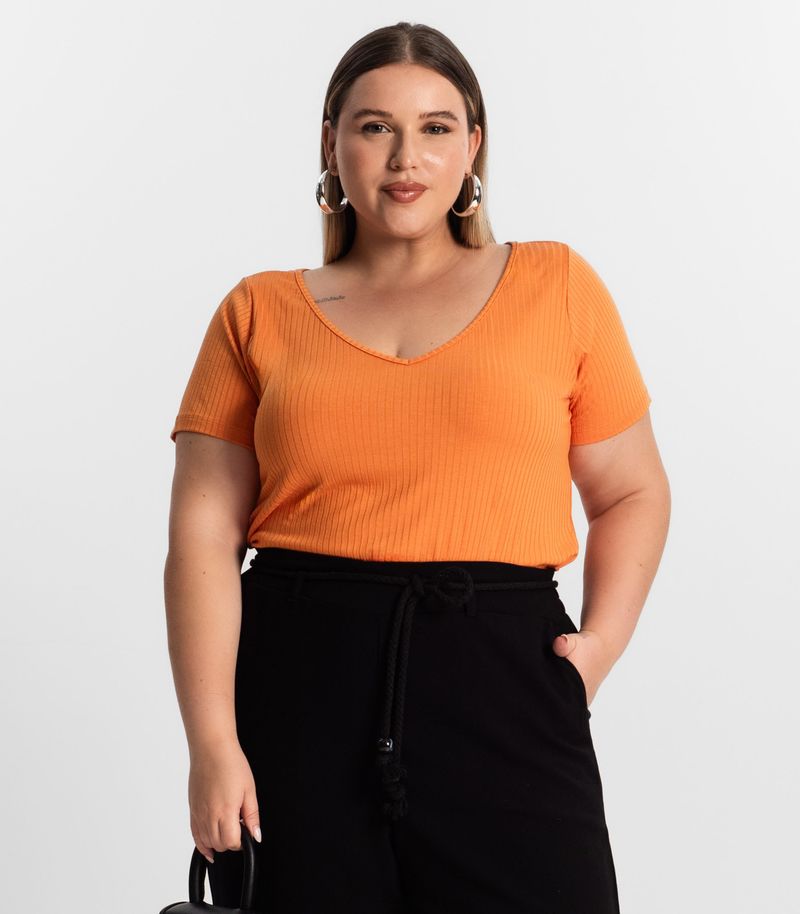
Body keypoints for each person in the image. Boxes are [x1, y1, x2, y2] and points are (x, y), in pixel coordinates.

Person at [164, 20, 670, 914]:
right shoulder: (258, 311)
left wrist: (594, 654)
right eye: (375, 127)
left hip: (505, 681)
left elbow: (631, 489)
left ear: (474, 145)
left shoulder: (556, 287)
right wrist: (212, 743)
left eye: (436, 127)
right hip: (300, 690)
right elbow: (202, 538)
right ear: (332, 143)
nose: (407, 157)